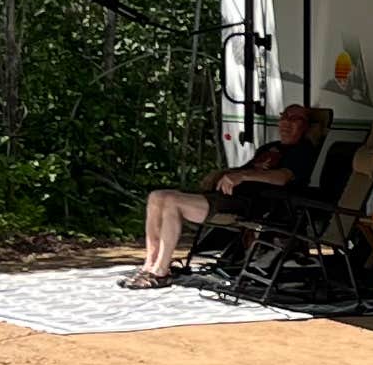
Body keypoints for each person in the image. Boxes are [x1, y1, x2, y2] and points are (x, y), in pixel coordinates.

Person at [126, 102, 329, 286]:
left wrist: (243, 176)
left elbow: (282, 177)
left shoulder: (303, 151)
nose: (286, 122)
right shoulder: (270, 148)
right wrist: (223, 174)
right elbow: (244, 170)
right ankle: (149, 265)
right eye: (284, 116)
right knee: (156, 196)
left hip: (251, 205)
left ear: (306, 126)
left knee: (171, 202)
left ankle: (161, 272)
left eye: (295, 119)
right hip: (228, 196)